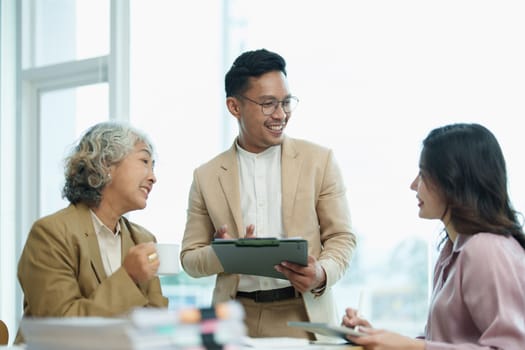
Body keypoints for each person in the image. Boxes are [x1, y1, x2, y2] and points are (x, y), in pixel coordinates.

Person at [180, 48, 356, 339]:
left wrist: (321, 273)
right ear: (234, 107)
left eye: (286, 102)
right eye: (268, 104)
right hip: (235, 320)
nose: (281, 114)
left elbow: (342, 238)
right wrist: (225, 255)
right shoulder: (206, 176)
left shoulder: (319, 160)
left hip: (305, 316)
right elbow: (189, 259)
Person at [342, 123, 525, 349]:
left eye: (423, 173)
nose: (413, 185)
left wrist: (412, 347)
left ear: (452, 179)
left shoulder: (486, 248)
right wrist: (378, 337)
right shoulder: (453, 249)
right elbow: (442, 342)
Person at [15, 121, 168, 344]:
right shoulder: (50, 234)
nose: (153, 177)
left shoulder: (144, 239)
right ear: (105, 164)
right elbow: (61, 327)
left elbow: (155, 324)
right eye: (144, 161)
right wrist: (129, 277)